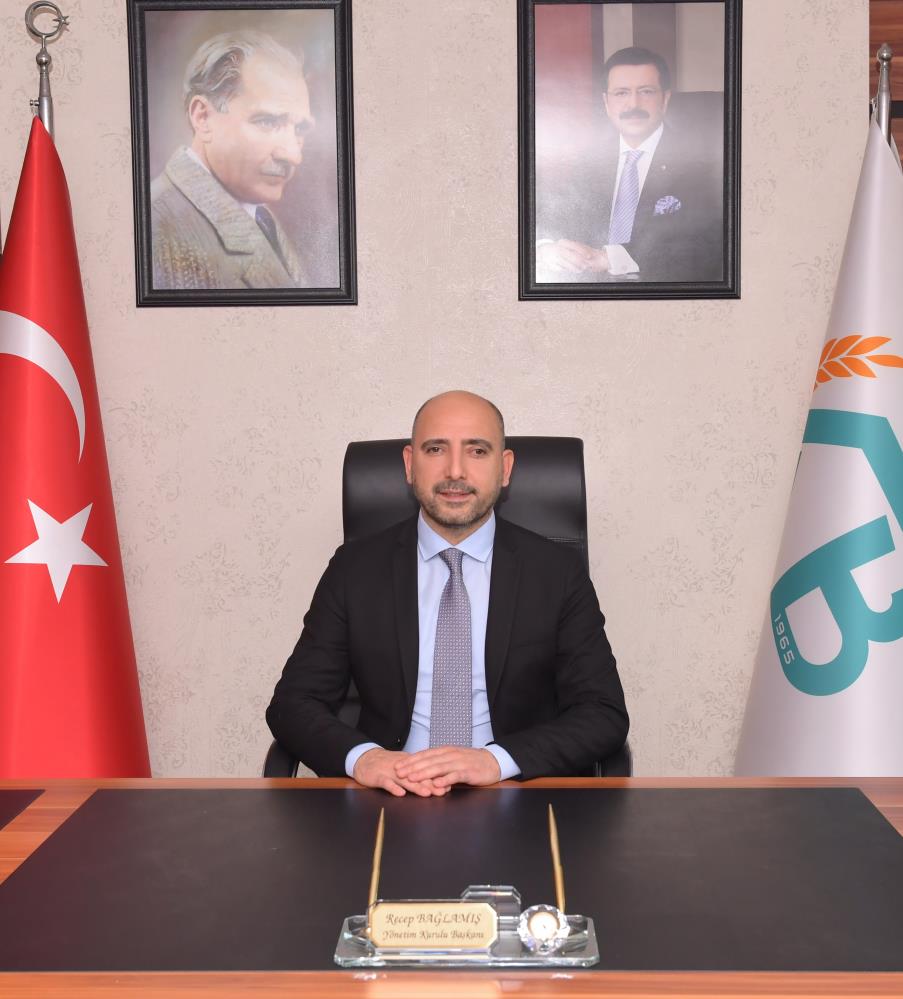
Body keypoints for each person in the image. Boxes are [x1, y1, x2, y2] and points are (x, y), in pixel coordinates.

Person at [267, 391, 628, 796]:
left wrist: (495, 761)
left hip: (513, 793)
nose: (455, 471)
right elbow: (293, 705)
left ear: (505, 468)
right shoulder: (355, 568)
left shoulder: (557, 572)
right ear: (410, 464)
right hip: (391, 793)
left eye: (477, 451)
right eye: (436, 449)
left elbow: (603, 713)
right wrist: (365, 759)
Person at [536, 46, 723, 283]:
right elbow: (552, 217)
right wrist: (546, 248)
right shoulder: (587, 161)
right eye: (621, 93)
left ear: (665, 99)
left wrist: (610, 259)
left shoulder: (700, 166)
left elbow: (704, 245)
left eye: (646, 92)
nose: (633, 104)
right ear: (606, 102)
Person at [150, 30, 314, 290]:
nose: (294, 155)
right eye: (267, 121)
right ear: (203, 117)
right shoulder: (157, 231)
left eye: (300, 129)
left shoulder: (258, 214)